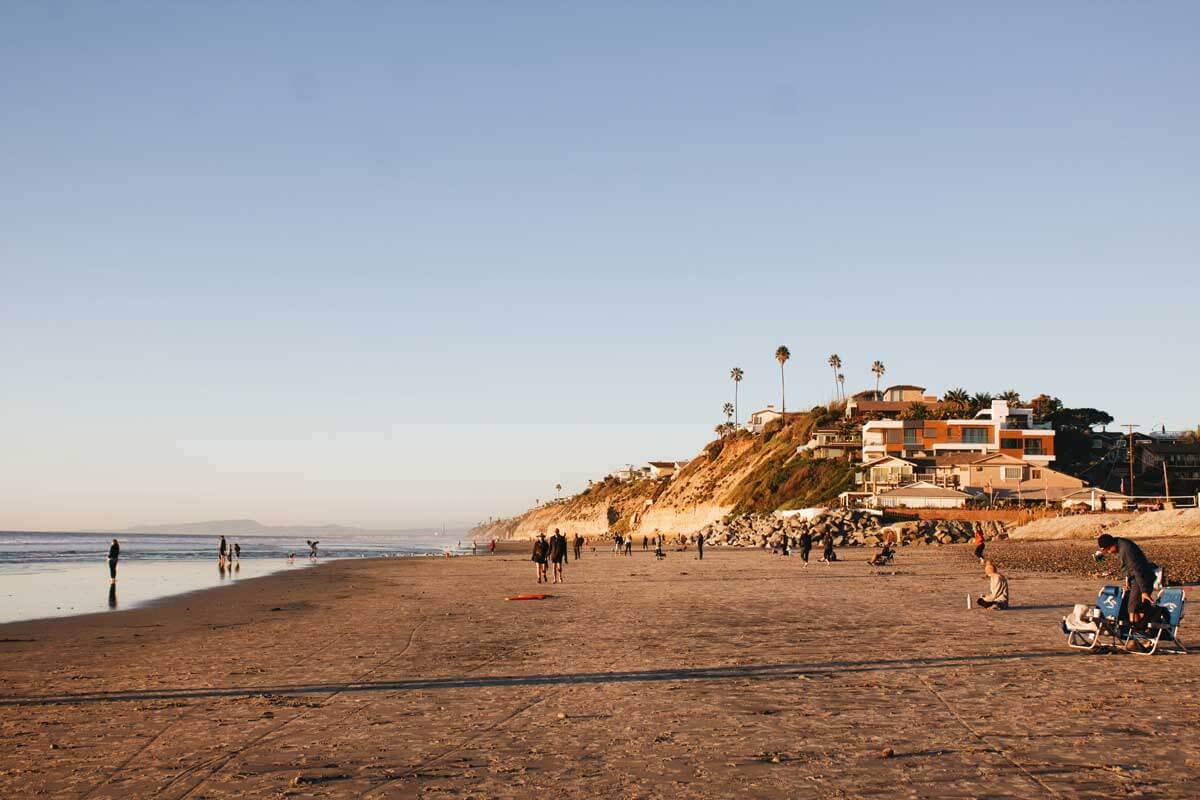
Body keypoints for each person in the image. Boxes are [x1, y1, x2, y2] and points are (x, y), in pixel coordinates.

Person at [1096, 533, 1158, 624]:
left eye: (1109, 549)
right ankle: (1141, 629)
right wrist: (1127, 581)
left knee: (1132, 608)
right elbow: (1127, 568)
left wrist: (1144, 591)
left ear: (1112, 544)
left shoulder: (1126, 549)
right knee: (1133, 606)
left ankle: (1134, 634)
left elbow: (1137, 570)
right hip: (1134, 579)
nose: (1109, 552)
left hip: (1142, 578)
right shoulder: (1119, 545)